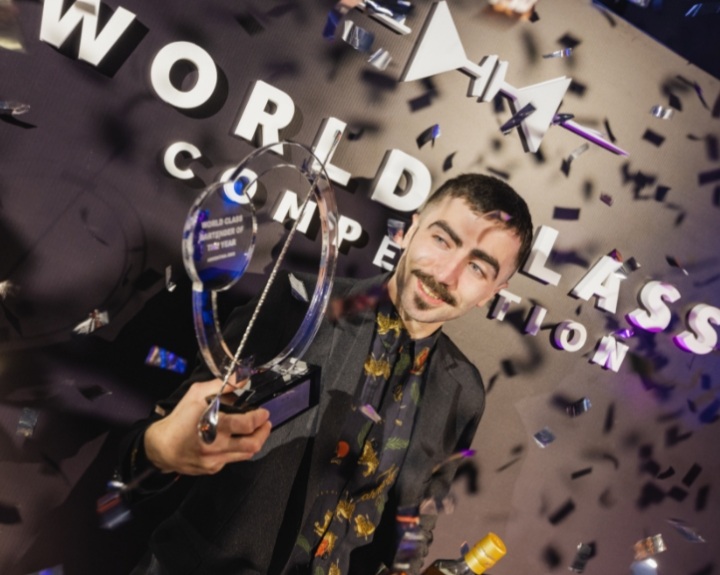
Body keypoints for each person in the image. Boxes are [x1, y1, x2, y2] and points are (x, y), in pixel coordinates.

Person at [121, 173, 533, 575]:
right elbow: (150, 449)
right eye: (442, 240)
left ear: (493, 292)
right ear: (409, 231)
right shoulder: (295, 305)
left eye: (478, 268)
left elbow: (416, 522)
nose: (446, 275)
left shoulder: (464, 391)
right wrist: (159, 449)